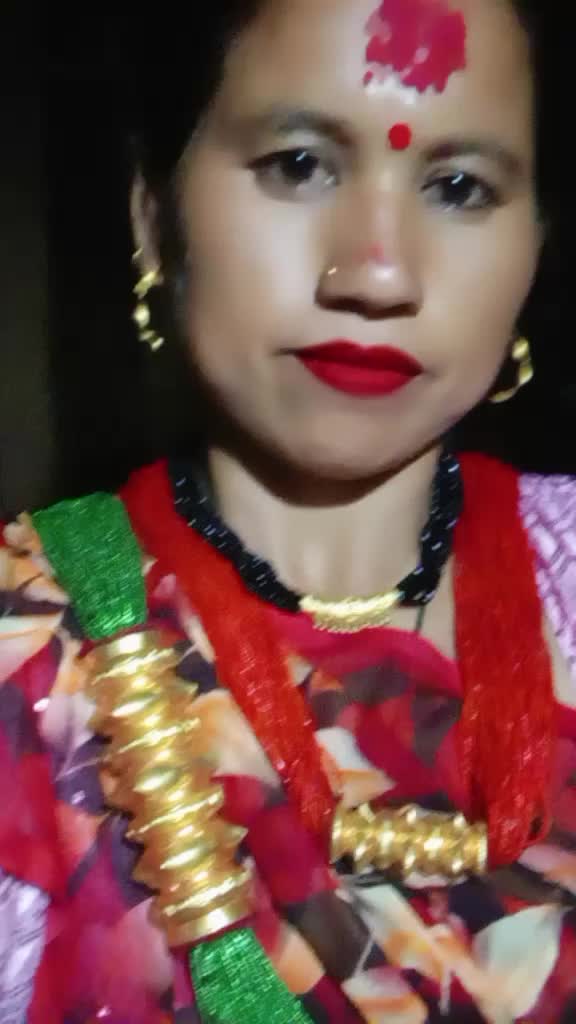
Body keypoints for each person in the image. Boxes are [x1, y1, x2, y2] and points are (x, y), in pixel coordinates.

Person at [1, 1, 574, 1021]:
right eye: (300, 165)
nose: (378, 273)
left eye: (458, 186)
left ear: (536, 246)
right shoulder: (26, 645)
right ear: (152, 218)